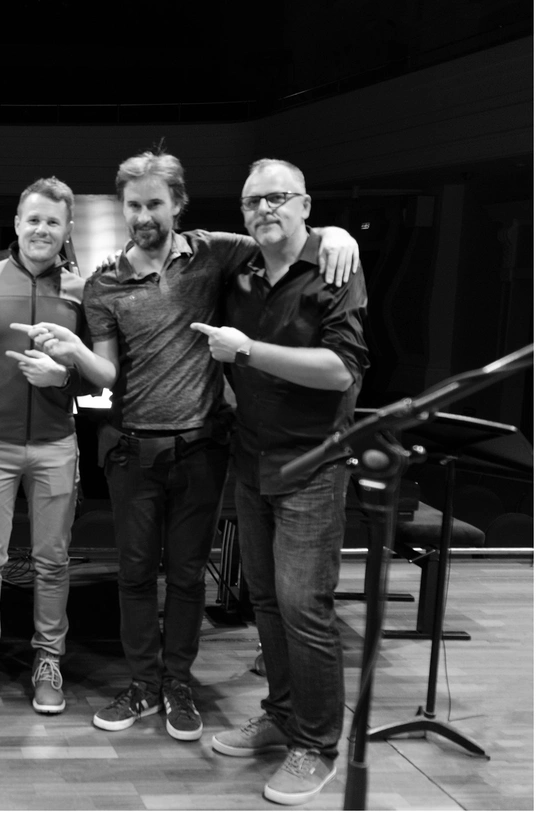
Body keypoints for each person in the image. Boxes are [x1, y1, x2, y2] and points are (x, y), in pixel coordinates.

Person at [29, 150, 358, 744]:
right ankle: (142, 684)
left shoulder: (217, 253)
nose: (143, 216)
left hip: (202, 448)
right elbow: (107, 374)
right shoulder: (105, 282)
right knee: (134, 575)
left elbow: (287, 237)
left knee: (186, 577)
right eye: (133, 205)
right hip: (131, 450)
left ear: (177, 204)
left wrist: (336, 234)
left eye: (155, 203)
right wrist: (73, 354)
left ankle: (177, 685)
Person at [193, 158, 368, 806]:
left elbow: (341, 370)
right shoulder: (240, 267)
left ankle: (317, 745)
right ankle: (283, 714)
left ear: (305, 205)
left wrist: (246, 350)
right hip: (252, 459)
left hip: (313, 466)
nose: (265, 209)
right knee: (265, 602)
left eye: (278, 197)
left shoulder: (334, 266)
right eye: (253, 201)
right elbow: (181, 238)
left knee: (304, 608)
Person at [0, 177, 95, 717]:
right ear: (16, 222)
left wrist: (64, 379)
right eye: (33, 219)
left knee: (53, 561)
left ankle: (48, 659)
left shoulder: (83, 290)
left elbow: (102, 372)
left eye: (53, 221)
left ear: (67, 229)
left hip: (57, 444)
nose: (41, 229)